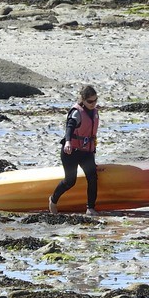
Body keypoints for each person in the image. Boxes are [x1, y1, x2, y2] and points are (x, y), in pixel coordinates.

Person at [48, 85, 101, 216]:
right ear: (83, 100)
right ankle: (53, 200)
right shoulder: (77, 112)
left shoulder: (94, 112)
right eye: (90, 101)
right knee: (70, 181)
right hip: (71, 151)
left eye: (95, 100)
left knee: (92, 177)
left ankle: (90, 208)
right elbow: (69, 127)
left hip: (86, 152)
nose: (93, 103)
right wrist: (68, 142)